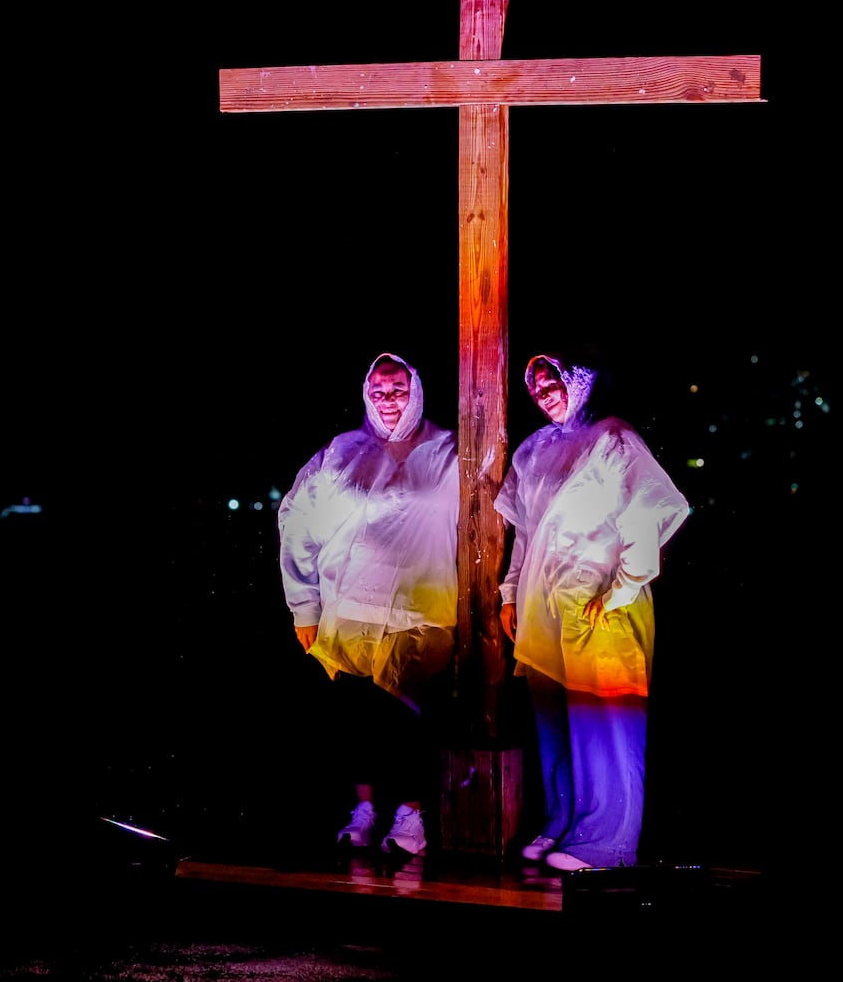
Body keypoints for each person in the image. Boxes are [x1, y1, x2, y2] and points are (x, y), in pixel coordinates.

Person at [495, 352, 689, 871]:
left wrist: (623, 589)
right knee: (555, 719)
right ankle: (564, 820)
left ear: (577, 377)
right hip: (545, 602)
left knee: (604, 718)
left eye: (552, 378)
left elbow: (648, 510)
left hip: (600, 600)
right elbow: (525, 531)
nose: (543, 391)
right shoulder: (534, 450)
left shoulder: (613, 437)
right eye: (534, 384)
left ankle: (607, 842)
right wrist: (511, 592)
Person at [276, 352, 459, 857]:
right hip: (350, 605)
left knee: (409, 713)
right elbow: (297, 522)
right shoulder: (343, 452)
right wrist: (304, 606)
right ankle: (366, 809)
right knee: (358, 718)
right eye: (378, 391)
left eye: (398, 389)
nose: (388, 400)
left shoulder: (450, 452)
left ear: (417, 390)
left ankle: (412, 814)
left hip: (420, 608)